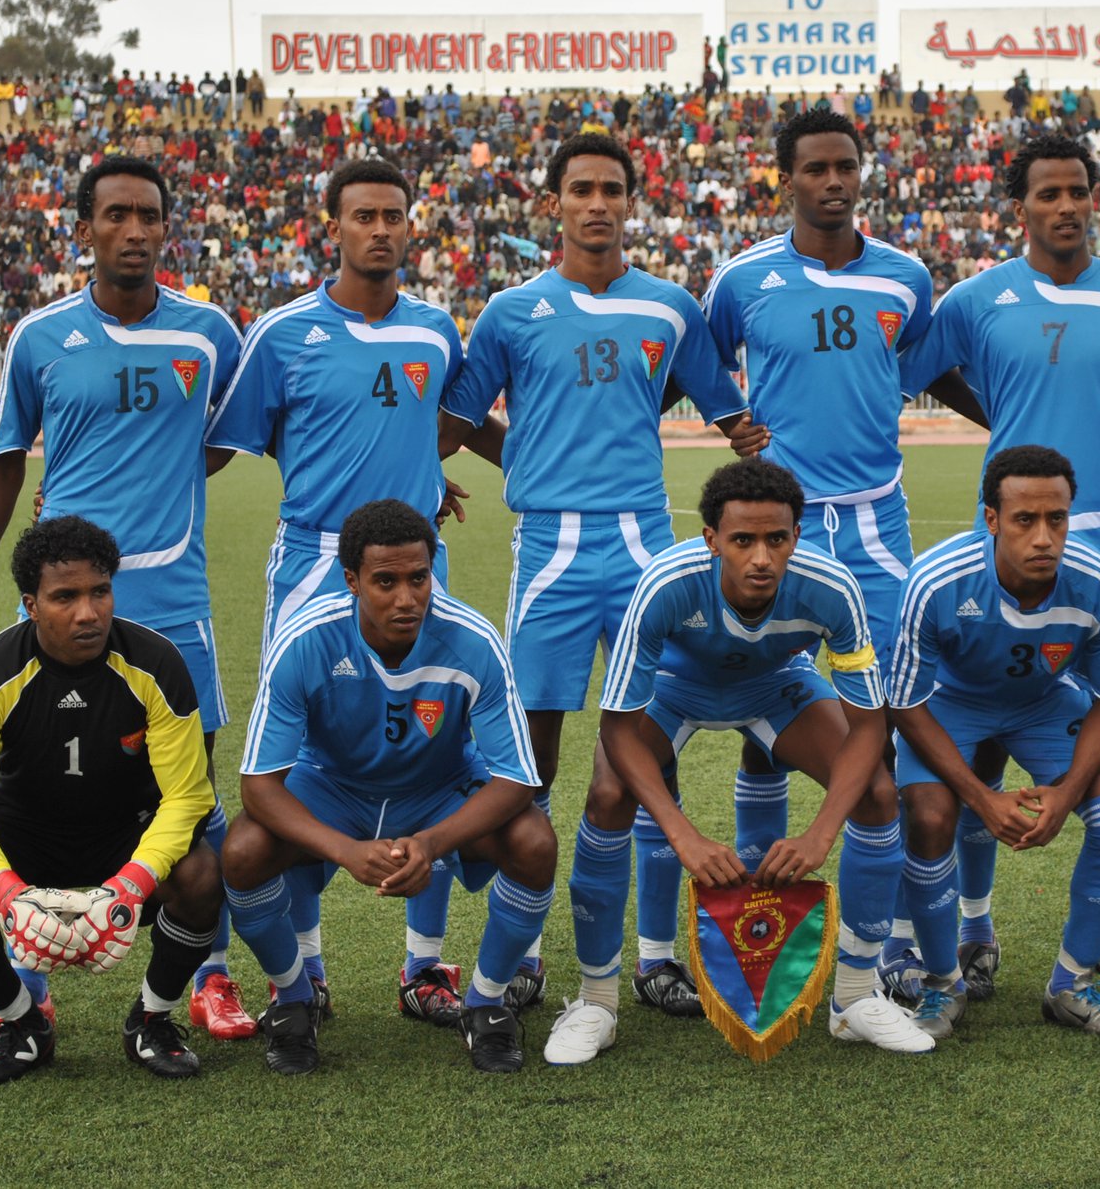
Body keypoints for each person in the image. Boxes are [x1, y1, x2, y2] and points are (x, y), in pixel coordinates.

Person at [439, 133, 762, 1011]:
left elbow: (737, 421)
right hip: (547, 548)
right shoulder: (511, 311)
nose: (597, 203)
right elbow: (460, 420)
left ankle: (654, 956)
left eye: (612, 189)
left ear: (630, 202)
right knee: (530, 761)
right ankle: (528, 943)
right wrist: (427, 475)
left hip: (645, 547)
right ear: (554, 204)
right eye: (580, 188)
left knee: (647, 750)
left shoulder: (668, 309)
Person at [0, 157, 255, 1045]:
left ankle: (211, 976)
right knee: (32, 784)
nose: (135, 230)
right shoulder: (41, 337)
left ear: (167, 228)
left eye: (149, 216)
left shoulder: (208, 334)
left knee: (191, 796)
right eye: (116, 214)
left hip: (175, 598)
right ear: (84, 227)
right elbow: (6, 455)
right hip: (56, 599)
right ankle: (28, 986)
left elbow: (231, 435)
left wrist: (166, 480)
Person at [895, 132, 1100, 1001]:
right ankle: (974, 926)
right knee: (985, 737)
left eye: (1077, 191)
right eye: (1047, 193)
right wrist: (995, 415)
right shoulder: (978, 298)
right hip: (1019, 530)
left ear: (1092, 198)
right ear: (1018, 205)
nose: (1064, 206)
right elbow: (922, 371)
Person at [701, 105, 978, 1009]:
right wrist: (730, 421)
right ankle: (762, 894)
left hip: (874, 526)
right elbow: (698, 365)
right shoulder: (742, 279)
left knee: (883, 715)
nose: (834, 180)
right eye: (816, 167)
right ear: (786, 178)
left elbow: (923, 367)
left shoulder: (904, 277)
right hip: (776, 527)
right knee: (760, 706)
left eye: (847, 166)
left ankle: (889, 934)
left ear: (863, 172)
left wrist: (1007, 424)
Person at [206, 155, 485, 1030]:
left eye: (393, 215)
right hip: (313, 561)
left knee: (433, 750)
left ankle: (424, 965)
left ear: (410, 225)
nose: (379, 228)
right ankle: (309, 969)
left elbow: (445, 421)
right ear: (333, 226)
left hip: (412, 558)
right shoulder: (283, 333)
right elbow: (222, 445)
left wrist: (423, 481)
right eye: (362, 215)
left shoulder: (437, 329)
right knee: (303, 757)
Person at [544, 460, 933, 1063]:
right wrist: (684, 837)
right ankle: (596, 1003)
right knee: (607, 795)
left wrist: (820, 833)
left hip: (776, 687)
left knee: (878, 794)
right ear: (711, 540)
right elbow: (617, 729)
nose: (761, 558)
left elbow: (868, 724)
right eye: (742, 540)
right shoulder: (665, 582)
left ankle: (855, 997)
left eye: (776, 539)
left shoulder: (833, 588)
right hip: (676, 691)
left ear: (796, 537)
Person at [220, 501, 555, 1075]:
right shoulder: (305, 638)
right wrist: (345, 850)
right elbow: (259, 786)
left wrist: (430, 841)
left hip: (438, 787)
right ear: (351, 581)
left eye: (418, 578)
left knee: (534, 843)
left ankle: (486, 1004)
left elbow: (517, 779)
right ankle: (296, 999)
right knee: (243, 851)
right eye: (385, 581)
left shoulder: (472, 640)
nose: (406, 598)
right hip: (333, 787)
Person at [0, 516, 222, 1083]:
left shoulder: (157, 664)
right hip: (25, 838)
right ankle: (23, 1024)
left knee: (203, 875)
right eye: (65, 597)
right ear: (31, 605)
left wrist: (130, 883)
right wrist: (8, 894)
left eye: (99, 592)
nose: (88, 612)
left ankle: (151, 1022)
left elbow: (187, 796)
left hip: (123, 834)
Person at [890, 447, 1100, 1037]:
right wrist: (981, 799)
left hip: (1042, 704)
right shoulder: (937, 581)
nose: (1043, 537)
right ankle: (940, 984)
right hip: (949, 705)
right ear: (991, 519)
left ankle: (1072, 984)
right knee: (930, 818)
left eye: (1056, 519)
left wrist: (1067, 792)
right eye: (1024, 520)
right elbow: (905, 703)